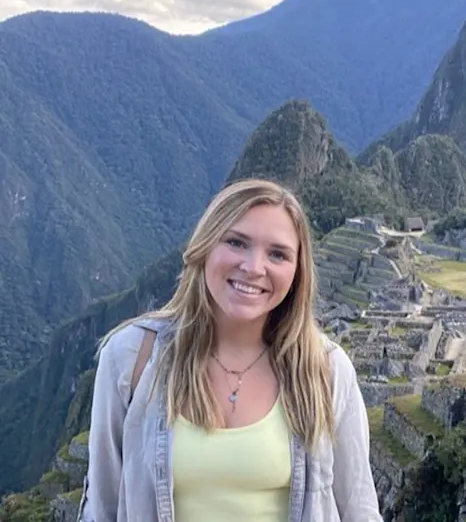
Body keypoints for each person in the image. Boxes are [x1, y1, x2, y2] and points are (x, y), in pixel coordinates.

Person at [78, 178, 382, 521]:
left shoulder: (325, 372)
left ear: (297, 272)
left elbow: (359, 510)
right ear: (205, 247)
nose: (254, 267)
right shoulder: (133, 357)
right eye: (237, 242)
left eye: (278, 254)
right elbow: (101, 506)